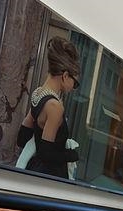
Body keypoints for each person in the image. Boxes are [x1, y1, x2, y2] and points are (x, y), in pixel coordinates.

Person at [16, 36, 81, 178]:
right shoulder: (55, 107)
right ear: (65, 76)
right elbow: (46, 154)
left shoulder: (38, 94)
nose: (74, 87)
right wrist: (71, 154)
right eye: (75, 83)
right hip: (48, 176)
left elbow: (22, 138)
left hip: (33, 171)